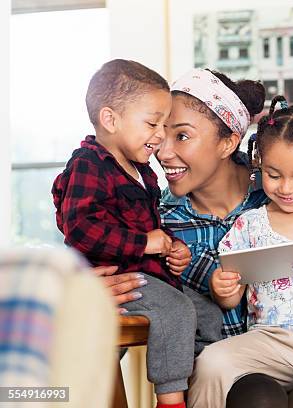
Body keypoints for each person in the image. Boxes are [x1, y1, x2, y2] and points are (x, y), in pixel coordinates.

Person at [157, 68, 293, 407]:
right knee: (253, 393)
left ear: (228, 142)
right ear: (263, 163)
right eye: (159, 134)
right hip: (251, 360)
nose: (162, 151)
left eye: (181, 136)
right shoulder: (158, 223)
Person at [51, 59, 216, 408]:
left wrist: (173, 247)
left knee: (206, 311)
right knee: (176, 311)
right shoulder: (88, 164)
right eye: (153, 124)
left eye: (165, 125)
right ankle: (171, 400)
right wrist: (143, 243)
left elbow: (152, 224)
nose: (160, 136)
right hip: (118, 277)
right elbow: (80, 227)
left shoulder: (143, 172)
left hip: (150, 275)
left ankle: (201, 385)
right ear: (111, 119)